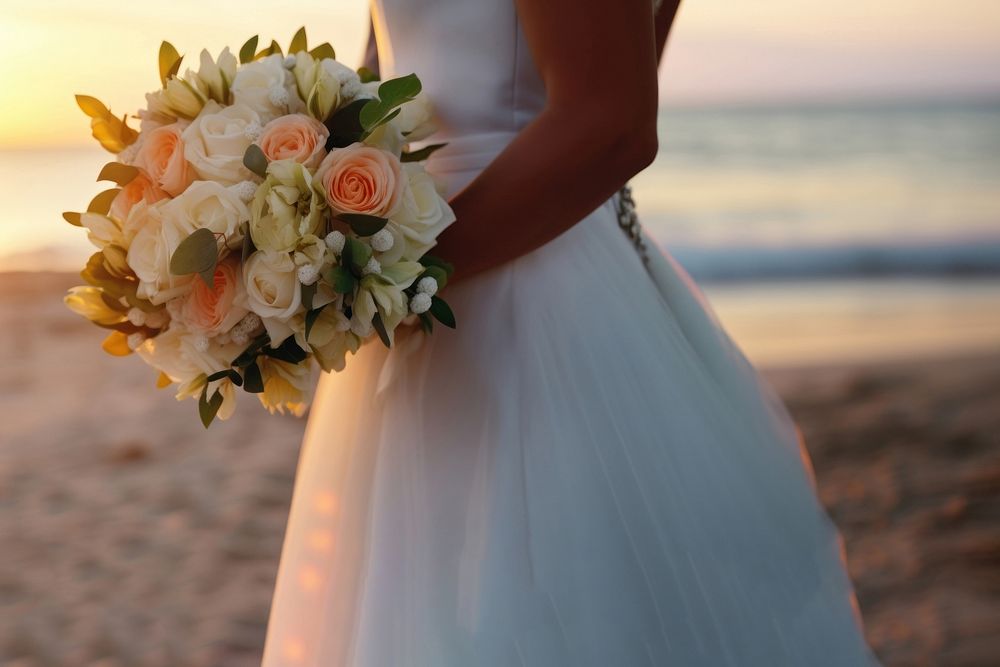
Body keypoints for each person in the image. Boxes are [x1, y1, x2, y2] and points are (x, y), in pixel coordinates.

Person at [261, 1, 880, 664]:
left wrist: (407, 277)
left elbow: (611, 123)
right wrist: (272, 226)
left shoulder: (426, 274)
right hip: (422, 278)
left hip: (522, 295)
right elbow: (387, 80)